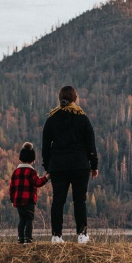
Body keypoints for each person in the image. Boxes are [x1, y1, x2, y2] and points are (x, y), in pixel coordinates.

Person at [41, 86, 98, 244]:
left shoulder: (52, 119)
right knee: (80, 200)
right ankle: (82, 235)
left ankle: (56, 236)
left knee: (58, 200)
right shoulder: (82, 118)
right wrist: (94, 165)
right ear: (75, 98)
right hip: (80, 165)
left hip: (58, 166)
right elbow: (91, 144)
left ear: (60, 99)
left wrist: (48, 167)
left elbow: (45, 146)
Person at [8, 142, 49, 244]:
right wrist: (46, 178)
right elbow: (37, 183)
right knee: (29, 219)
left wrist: (12, 199)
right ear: (33, 160)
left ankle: (20, 238)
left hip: (18, 200)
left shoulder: (16, 172)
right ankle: (28, 238)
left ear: (20, 159)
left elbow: (11, 187)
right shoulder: (31, 172)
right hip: (29, 200)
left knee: (22, 219)